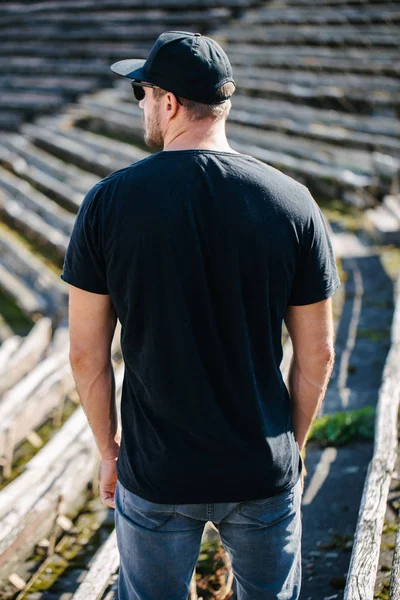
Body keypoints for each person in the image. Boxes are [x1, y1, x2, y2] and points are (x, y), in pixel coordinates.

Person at [61, 30, 340, 600]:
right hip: (260, 466)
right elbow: (319, 354)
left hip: (157, 472)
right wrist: (293, 450)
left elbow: (87, 352)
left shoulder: (109, 202)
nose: (139, 103)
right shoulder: (293, 201)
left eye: (141, 91)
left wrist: (109, 451)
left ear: (168, 103)